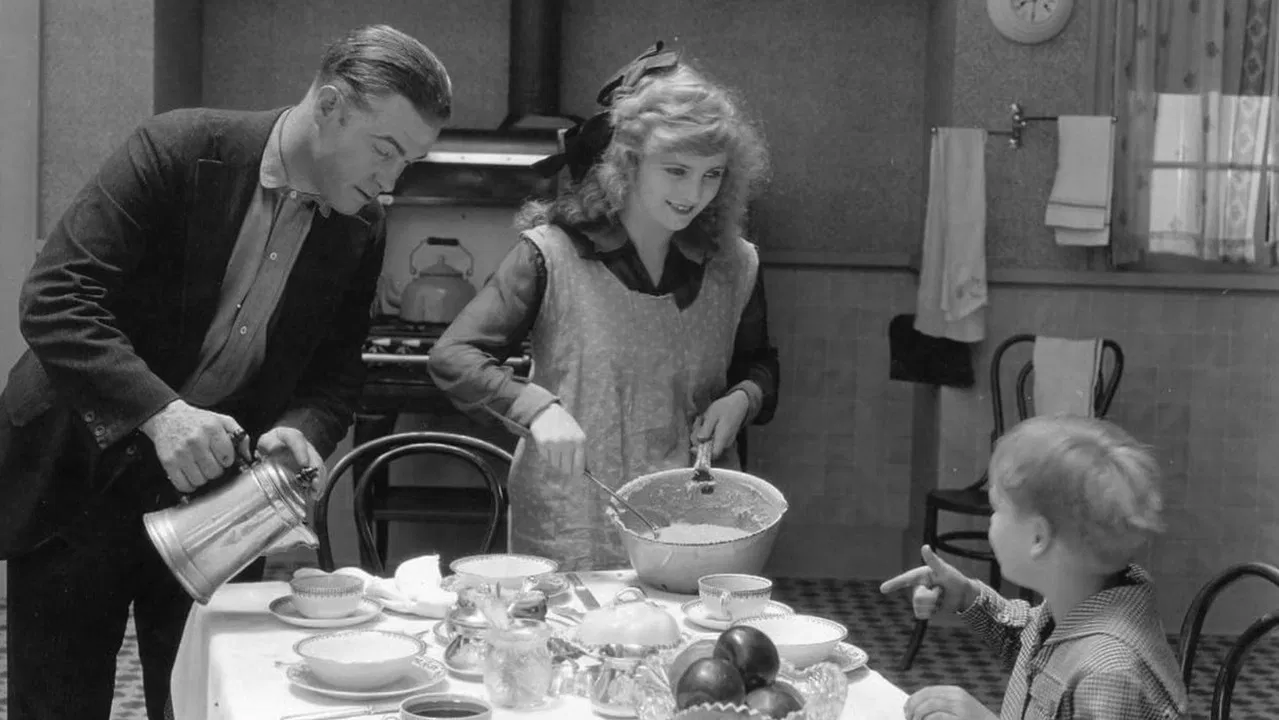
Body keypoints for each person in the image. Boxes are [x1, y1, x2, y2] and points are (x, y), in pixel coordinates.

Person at [0, 25, 451, 720]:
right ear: (330, 105)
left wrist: (301, 430)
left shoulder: (361, 226)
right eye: (385, 150)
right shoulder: (180, 148)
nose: (390, 182)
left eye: (408, 162)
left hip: (214, 500)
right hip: (77, 467)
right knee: (57, 706)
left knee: (202, 701)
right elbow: (56, 297)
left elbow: (335, 379)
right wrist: (163, 414)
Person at [427, 43, 778, 571]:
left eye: (712, 175)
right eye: (676, 170)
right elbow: (453, 357)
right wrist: (536, 407)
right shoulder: (550, 254)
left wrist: (742, 399)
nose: (694, 193)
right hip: (571, 518)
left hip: (693, 519)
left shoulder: (735, 265)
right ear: (628, 163)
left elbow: (760, 364)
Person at [881, 415, 1188, 720]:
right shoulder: (1083, 603)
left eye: (997, 509)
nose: (990, 520)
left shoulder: (1108, 675)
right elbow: (1033, 645)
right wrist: (966, 595)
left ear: (1038, 537)